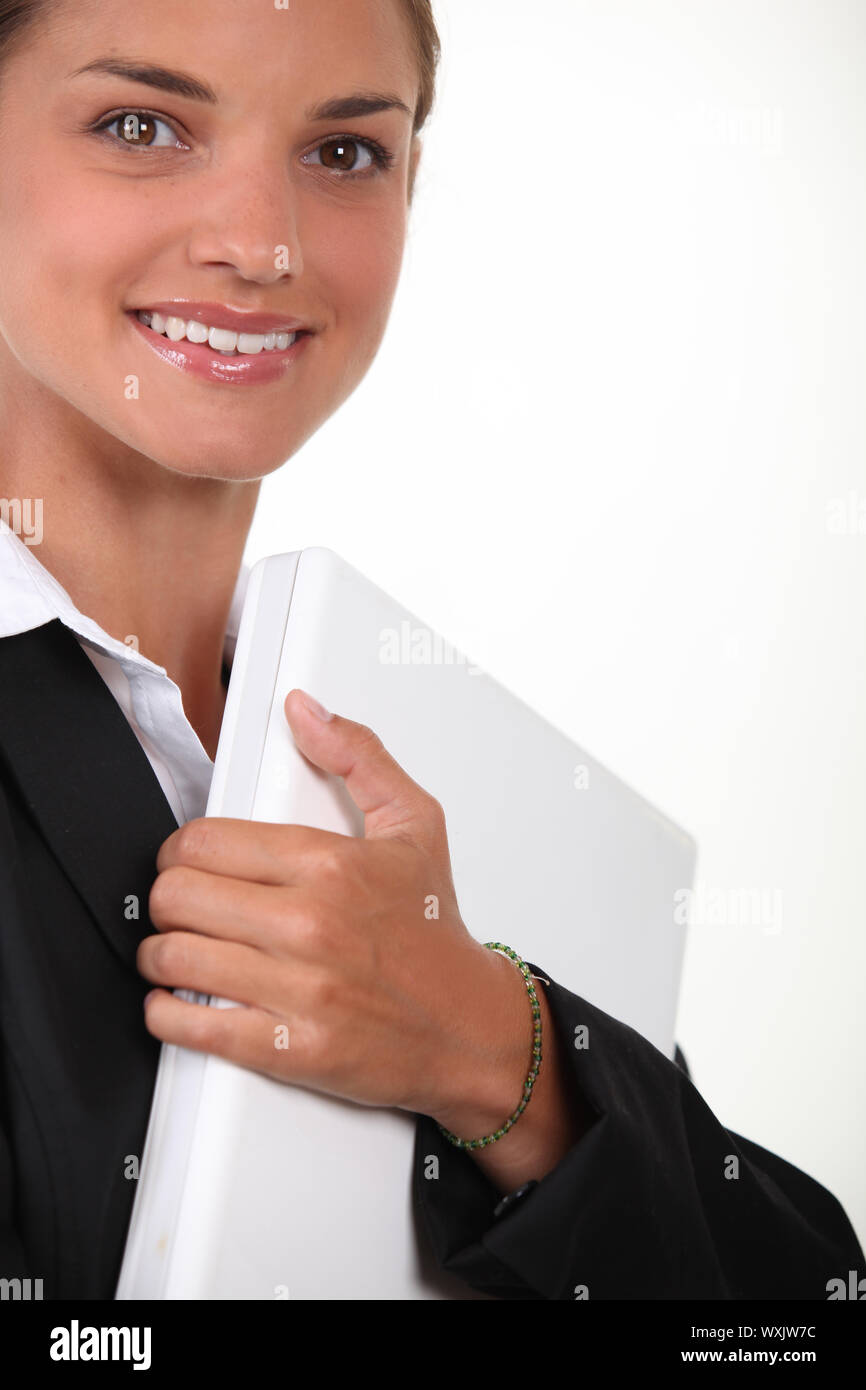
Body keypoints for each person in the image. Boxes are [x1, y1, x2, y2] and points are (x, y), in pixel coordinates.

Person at [0, 0, 860, 1302]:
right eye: (141, 124)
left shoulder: (399, 774)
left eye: (344, 151)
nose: (260, 244)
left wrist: (495, 1054)